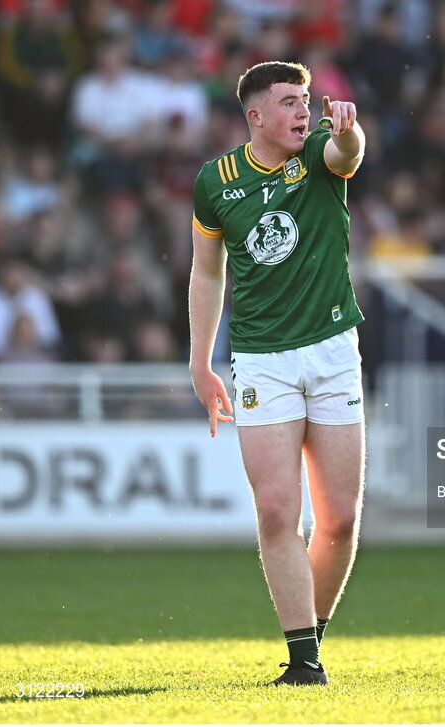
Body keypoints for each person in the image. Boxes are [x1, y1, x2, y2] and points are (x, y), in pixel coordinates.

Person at [187, 61, 366, 687]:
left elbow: (348, 154)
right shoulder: (216, 182)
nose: (304, 111)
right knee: (276, 510)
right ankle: (303, 661)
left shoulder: (320, 151)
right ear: (255, 115)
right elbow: (206, 273)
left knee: (339, 519)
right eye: (290, 102)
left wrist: (348, 130)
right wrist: (200, 360)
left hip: (333, 349)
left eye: (308, 100)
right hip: (263, 358)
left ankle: (309, 636)